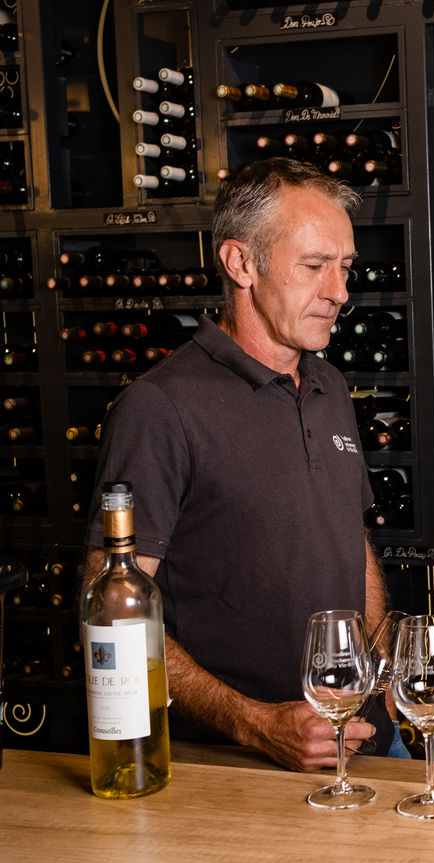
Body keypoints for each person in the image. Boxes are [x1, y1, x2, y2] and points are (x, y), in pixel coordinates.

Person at [82, 157, 403, 770]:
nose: (339, 291)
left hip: (367, 739)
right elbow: (111, 609)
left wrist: (380, 666)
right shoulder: (160, 406)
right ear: (241, 263)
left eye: (344, 266)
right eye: (314, 265)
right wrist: (254, 725)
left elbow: (347, 534)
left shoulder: (329, 385)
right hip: (242, 763)